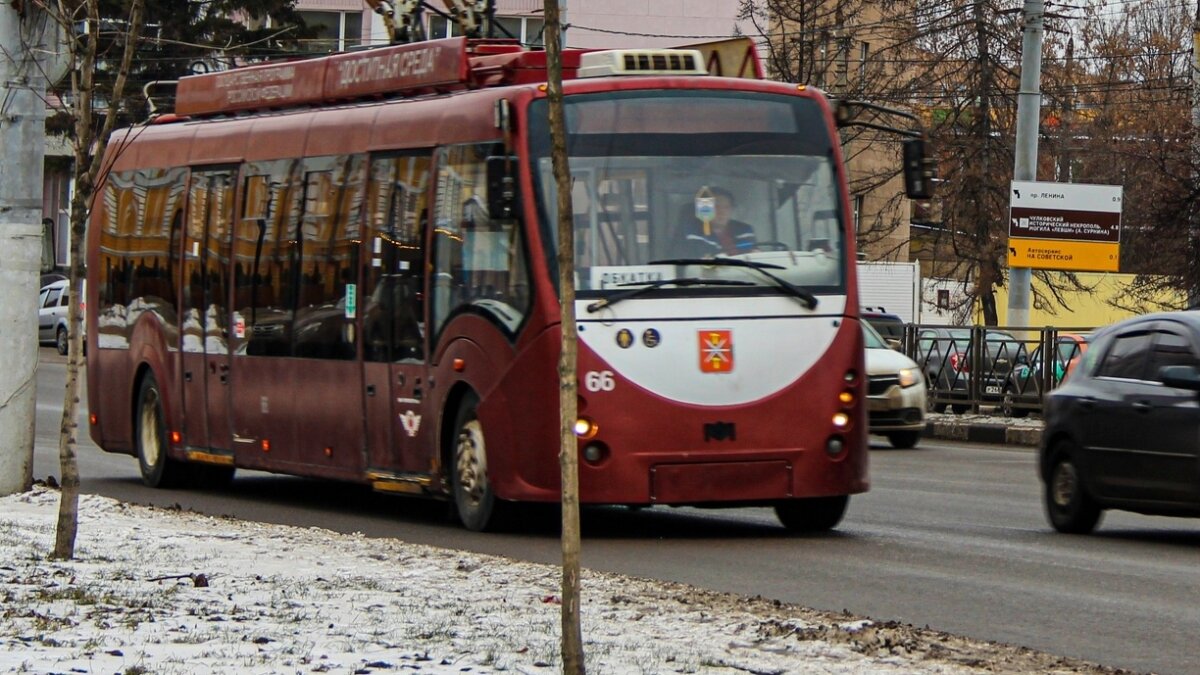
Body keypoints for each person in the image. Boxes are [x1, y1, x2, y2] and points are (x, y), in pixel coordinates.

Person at [677, 187, 755, 256]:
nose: (722, 212)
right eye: (716, 207)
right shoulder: (693, 232)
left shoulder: (744, 231)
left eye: (726, 207)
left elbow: (752, 254)